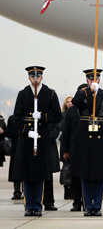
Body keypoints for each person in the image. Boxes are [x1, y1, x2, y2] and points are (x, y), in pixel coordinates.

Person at [13, 66, 62, 217]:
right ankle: (29, 206)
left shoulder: (50, 94)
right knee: (27, 174)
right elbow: (17, 118)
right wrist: (28, 131)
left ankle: (38, 205)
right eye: (32, 77)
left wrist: (42, 116)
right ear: (29, 78)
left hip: (42, 139)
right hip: (27, 139)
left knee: (40, 174)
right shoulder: (23, 94)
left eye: (38, 76)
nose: (35, 79)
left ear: (42, 77)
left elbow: (57, 116)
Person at [70, 68, 103, 217]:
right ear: (87, 80)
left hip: (101, 137)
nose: (92, 81)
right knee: (85, 174)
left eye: (95, 79)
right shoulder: (82, 94)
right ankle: (88, 205)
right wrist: (88, 90)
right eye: (89, 79)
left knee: (99, 174)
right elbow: (75, 102)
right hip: (84, 137)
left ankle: (97, 206)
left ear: (99, 80)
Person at [61, 87, 85, 212]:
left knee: (88, 177)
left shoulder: (92, 109)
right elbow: (66, 132)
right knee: (75, 178)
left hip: (89, 148)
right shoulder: (71, 111)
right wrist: (65, 150)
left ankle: (87, 202)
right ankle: (77, 202)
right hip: (74, 148)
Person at [43, 114, 61, 211]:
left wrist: (44, 138)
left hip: (48, 147)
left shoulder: (51, 114)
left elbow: (56, 129)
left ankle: (48, 202)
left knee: (48, 178)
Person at [6, 114, 22, 201]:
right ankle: (17, 191)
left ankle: (25, 191)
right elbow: (8, 132)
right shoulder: (12, 118)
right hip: (16, 147)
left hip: (26, 147)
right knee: (15, 170)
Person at [60, 96, 73, 201]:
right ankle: (66, 189)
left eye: (71, 102)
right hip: (65, 142)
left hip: (73, 142)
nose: (69, 103)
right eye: (67, 102)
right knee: (65, 168)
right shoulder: (62, 115)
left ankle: (72, 190)